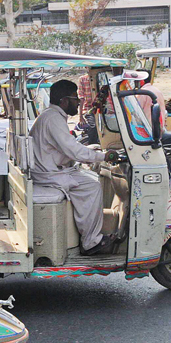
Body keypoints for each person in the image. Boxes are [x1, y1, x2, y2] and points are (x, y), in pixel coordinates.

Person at [30, 80, 121, 256]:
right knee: (92, 187)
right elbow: (72, 150)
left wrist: (91, 152)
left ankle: (90, 233)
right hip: (48, 174)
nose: (78, 102)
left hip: (53, 169)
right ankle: (91, 242)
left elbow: (68, 146)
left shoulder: (52, 117)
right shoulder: (53, 119)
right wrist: (103, 156)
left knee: (91, 179)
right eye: (75, 98)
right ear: (63, 101)